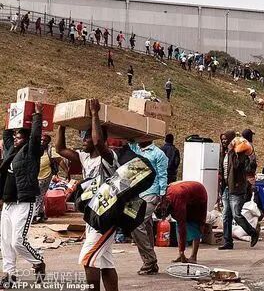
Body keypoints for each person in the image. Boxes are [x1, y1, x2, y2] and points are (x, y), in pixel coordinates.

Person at [54, 99, 119, 291]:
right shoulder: (84, 157)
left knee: (88, 259)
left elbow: (98, 142)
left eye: (87, 137)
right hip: (93, 215)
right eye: (83, 136)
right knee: (105, 262)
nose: (84, 140)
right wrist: (62, 124)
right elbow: (60, 149)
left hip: (106, 214)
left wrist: (94, 113)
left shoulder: (108, 157)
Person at [0, 102, 47, 286]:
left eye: (19, 137)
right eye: (15, 137)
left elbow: (35, 136)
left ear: (26, 139)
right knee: (5, 241)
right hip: (9, 203)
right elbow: (6, 134)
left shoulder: (32, 152)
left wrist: (37, 115)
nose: (15, 139)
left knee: (17, 241)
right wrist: (10, 116)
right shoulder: (11, 151)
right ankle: (9, 275)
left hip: (24, 202)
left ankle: (38, 261)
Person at [127, 139, 168, 275]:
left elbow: (162, 175)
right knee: (146, 226)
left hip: (151, 193)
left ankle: (150, 260)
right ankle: (151, 264)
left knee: (135, 223)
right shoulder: (135, 148)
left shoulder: (158, 154)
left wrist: (162, 196)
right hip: (136, 192)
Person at [219, 131, 260, 250]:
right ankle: (228, 241)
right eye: (222, 139)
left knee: (236, 215)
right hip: (227, 188)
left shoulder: (239, 153)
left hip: (236, 188)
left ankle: (253, 232)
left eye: (226, 139)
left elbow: (237, 166)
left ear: (232, 140)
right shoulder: (224, 153)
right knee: (226, 216)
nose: (224, 141)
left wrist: (232, 151)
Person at [155, 181, 208, 264]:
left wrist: (182, 251)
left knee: (196, 224)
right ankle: (180, 255)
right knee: (178, 224)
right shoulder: (163, 198)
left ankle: (193, 256)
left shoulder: (177, 202)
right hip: (186, 192)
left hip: (199, 195)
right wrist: (181, 252)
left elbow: (182, 228)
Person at [33, 134, 60, 223]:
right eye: (41, 140)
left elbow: (59, 160)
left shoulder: (50, 150)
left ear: (48, 142)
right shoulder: (35, 149)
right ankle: (41, 214)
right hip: (35, 176)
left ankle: (35, 215)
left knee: (38, 196)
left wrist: (67, 172)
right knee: (39, 195)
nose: (42, 142)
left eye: (45, 140)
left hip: (45, 176)